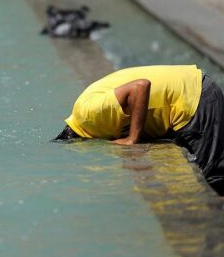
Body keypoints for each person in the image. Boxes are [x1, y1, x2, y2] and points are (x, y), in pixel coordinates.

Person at [55, 65, 224, 196]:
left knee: (214, 182)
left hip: (194, 98)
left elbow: (140, 86)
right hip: (189, 90)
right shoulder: (86, 115)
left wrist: (132, 138)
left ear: (78, 141)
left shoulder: (88, 115)